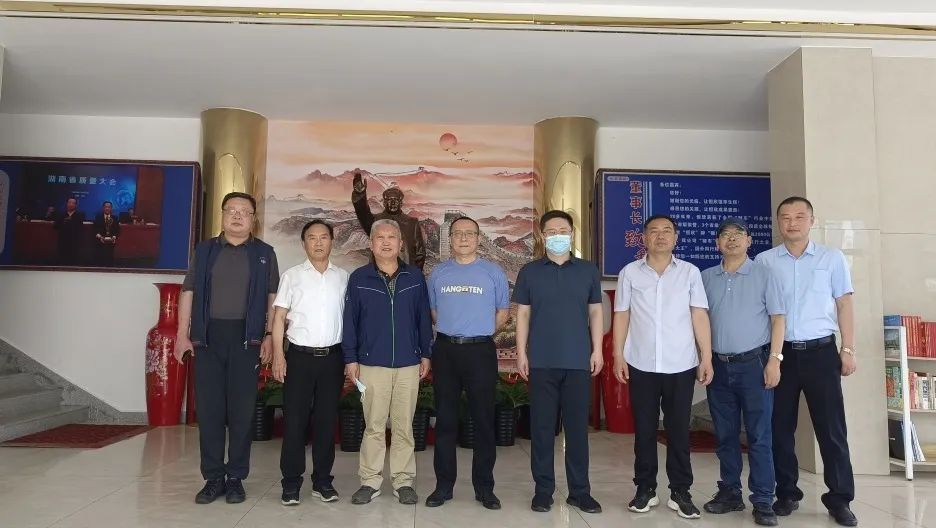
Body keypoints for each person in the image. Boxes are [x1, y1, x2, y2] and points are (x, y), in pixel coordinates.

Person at [755, 196, 858, 527]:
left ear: (812, 221)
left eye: (800, 216)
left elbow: (844, 304)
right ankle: (787, 493)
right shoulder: (764, 261)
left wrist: (849, 348)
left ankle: (839, 499)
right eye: (785, 217)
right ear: (778, 223)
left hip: (821, 353)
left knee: (831, 429)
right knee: (779, 428)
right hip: (779, 355)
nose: (792, 222)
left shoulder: (832, 258)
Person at [173, 191, 279, 505]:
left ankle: (235, 478)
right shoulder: (205, 250)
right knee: (209, 411)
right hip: (207, 338)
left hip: (247, 339)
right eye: (231, 209)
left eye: (244, 211)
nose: (237, 215)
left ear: (253, 219)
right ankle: (213, 478)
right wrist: (182, 334)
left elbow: (273, 297)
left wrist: (270, 335)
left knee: (242, 412)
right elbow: (188, 291)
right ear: (222, 215)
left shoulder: (264, 253)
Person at [611, 214, 713, 520]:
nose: (660, 236)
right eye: (653, 231)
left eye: (667, 231)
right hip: (641, 362)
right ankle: (645, 489)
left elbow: (699, 315)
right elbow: (622, 315)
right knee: (644, 430)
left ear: (675, 238)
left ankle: (681, 492)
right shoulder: (630, 273)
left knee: (678, 430)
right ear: (644, 238)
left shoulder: (690, 273)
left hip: (681, 363)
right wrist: (618, 355)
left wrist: (706, 356)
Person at [513, 210, 604, 515]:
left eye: (562, 230)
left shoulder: (588, 270)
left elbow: (595, 312)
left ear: (572, 233)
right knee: (542, 430)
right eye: (551, 232)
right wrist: (521, 352)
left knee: (577, 431)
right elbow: (523, 314)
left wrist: (597, 350)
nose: (557, 236)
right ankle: (543, 491)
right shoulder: (530, 272)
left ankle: (580, 491)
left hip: (578, 360)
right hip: (541, 361)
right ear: (542, 236)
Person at [700, 217, 785, 527]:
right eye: (725, 235)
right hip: (718, 366)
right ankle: (730, 492)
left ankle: (763, 499)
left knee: (760, 435)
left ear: (749, 241)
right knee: (725, 435)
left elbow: (778, 319)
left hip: (755, 365)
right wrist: (703, 358)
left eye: (739, 234)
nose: (732, 239)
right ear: (717, 243)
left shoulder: (765, 274)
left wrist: (774, 360)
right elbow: (699, 320)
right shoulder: (705, 277)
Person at [342, 219, 433, 506]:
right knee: (374, 425)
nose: (385, 242)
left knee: (404, 426)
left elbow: (422, 318)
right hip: (372, 364)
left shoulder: (414, 277)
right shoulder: (359, 278)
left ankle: (403, 481)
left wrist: (426, 353)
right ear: (371, 244)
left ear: (400, 243)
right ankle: (369, 481)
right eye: (379, 237)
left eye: (391, 237)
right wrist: (351, 358)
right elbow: (350, 322)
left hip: (408, 363)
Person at [425, 216, 510, 510]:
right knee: (446, 420)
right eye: (458, 233)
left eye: (469, 233)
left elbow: (502, 313)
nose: (463, 238)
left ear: (478, 238)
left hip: (480, 352)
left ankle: (484, 488)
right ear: (450, 239)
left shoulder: (493, 272)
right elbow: (434, 312)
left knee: (484, 421)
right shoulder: (438, 273)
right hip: (446, 351)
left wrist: (479, 332)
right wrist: (455, 330)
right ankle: (443, 486)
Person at [271, 219, 349, 506]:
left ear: (332, 242)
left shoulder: (343, 277)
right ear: (304, 243)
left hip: (333, 358)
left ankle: (323, 481)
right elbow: (279, 318)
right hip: (299, 358)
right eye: (312, 238)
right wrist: (279, 355)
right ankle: (291, 483)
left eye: (323, 237)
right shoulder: (292, 276)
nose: (318, 242)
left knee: (326, 422)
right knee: (295, 421)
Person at [351, 171, 426, 270]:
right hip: (379, 274)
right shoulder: (375, 221)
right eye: (390, 200)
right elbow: (362, 212)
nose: (393, 203)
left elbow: (420, 253)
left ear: (401, 203)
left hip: (405, 273)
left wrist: (414, 274)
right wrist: (359, 194)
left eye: (396, 200)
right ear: (384, 203)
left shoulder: (412, 223)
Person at [54, 197, 85, 265]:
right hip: (62, 241)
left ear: (76, 205)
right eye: (69, 202)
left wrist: (71, 222)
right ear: (67, 204)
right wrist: (63, 222)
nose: (71, 204)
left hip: (74, 241)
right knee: (62, 260)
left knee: (74, 261)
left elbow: (80, 228)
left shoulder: (80, 215)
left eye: (73, 203)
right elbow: (56, 226)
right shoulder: (61, 214)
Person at [93, 200, 121, 266]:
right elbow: (95, 230)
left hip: (111, 242)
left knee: (109, 260)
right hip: (100, 242)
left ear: (111, 208)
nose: (107, 208)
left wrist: (114, 237)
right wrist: (100, 237)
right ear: (103, 208)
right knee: (100, 261)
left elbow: (117, 230)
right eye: (106, 207)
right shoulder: (98, 217)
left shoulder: (115, 218)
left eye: (109, 207)